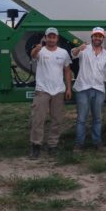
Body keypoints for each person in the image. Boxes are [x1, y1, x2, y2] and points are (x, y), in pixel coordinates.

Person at [29, 27, 72, 158]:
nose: (51, 39)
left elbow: (67, 70)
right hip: (42, 90)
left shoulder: (63, 52)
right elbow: (33, 55)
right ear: (45, 38)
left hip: (58, 90)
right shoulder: (40, 52)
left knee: (56, 119)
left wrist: (69, 88)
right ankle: (36, 145)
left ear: (57, 38)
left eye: (54, 37)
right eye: (49, 36)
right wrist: (37, 47)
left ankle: (53, 145)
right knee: (38, 119)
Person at [71, 27, 106, 151]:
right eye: (95, 36)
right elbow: (73, 54)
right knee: (81, 118)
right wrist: (78, 48)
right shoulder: (84, 49)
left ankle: (97, 142)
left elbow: (105, 72)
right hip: (83, 87)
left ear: (103, 38)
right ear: (92, 37)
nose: (97, 38)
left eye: (100, 36)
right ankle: (79, 143)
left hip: (99, 88)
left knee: (97, 118)